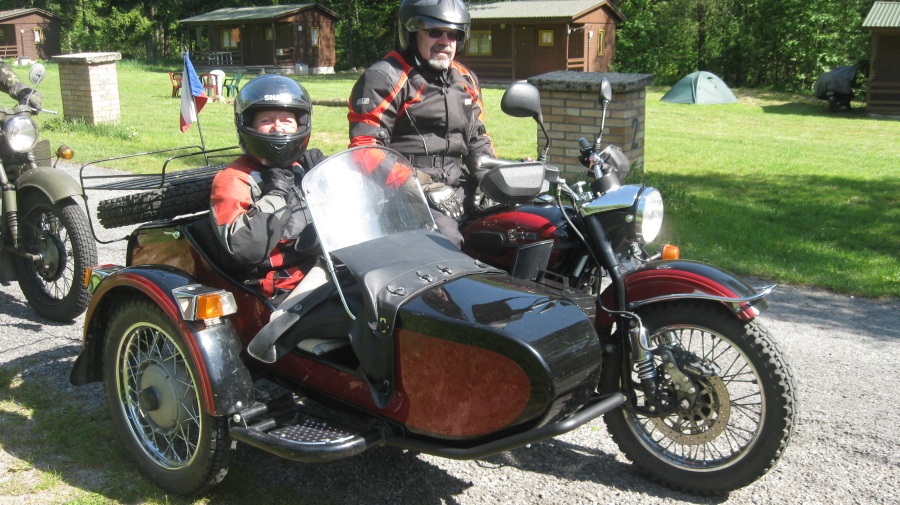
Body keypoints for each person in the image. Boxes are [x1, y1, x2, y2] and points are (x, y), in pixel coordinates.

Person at [347, 0, 495, 248]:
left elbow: (478, 137)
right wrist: (421, 185)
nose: (445, 41)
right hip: (402, 192)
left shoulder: (465, 79)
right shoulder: (386, 76)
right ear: (412, 34)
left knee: (517, 224)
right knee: (448, 245)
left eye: (453, 34)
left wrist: (488, 179)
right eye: (435, 32)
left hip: (458, 183)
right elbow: (365, 148)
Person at [210, 74, 324, 303]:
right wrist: (277, 195)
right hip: (283, 291)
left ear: (301, 124)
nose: (277, 128)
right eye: (266, 120)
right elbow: (247, 247)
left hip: (328, 269)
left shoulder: (302, 167)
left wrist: (327, 179)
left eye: (287, 120)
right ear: (247, 126)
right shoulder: (234, 179)